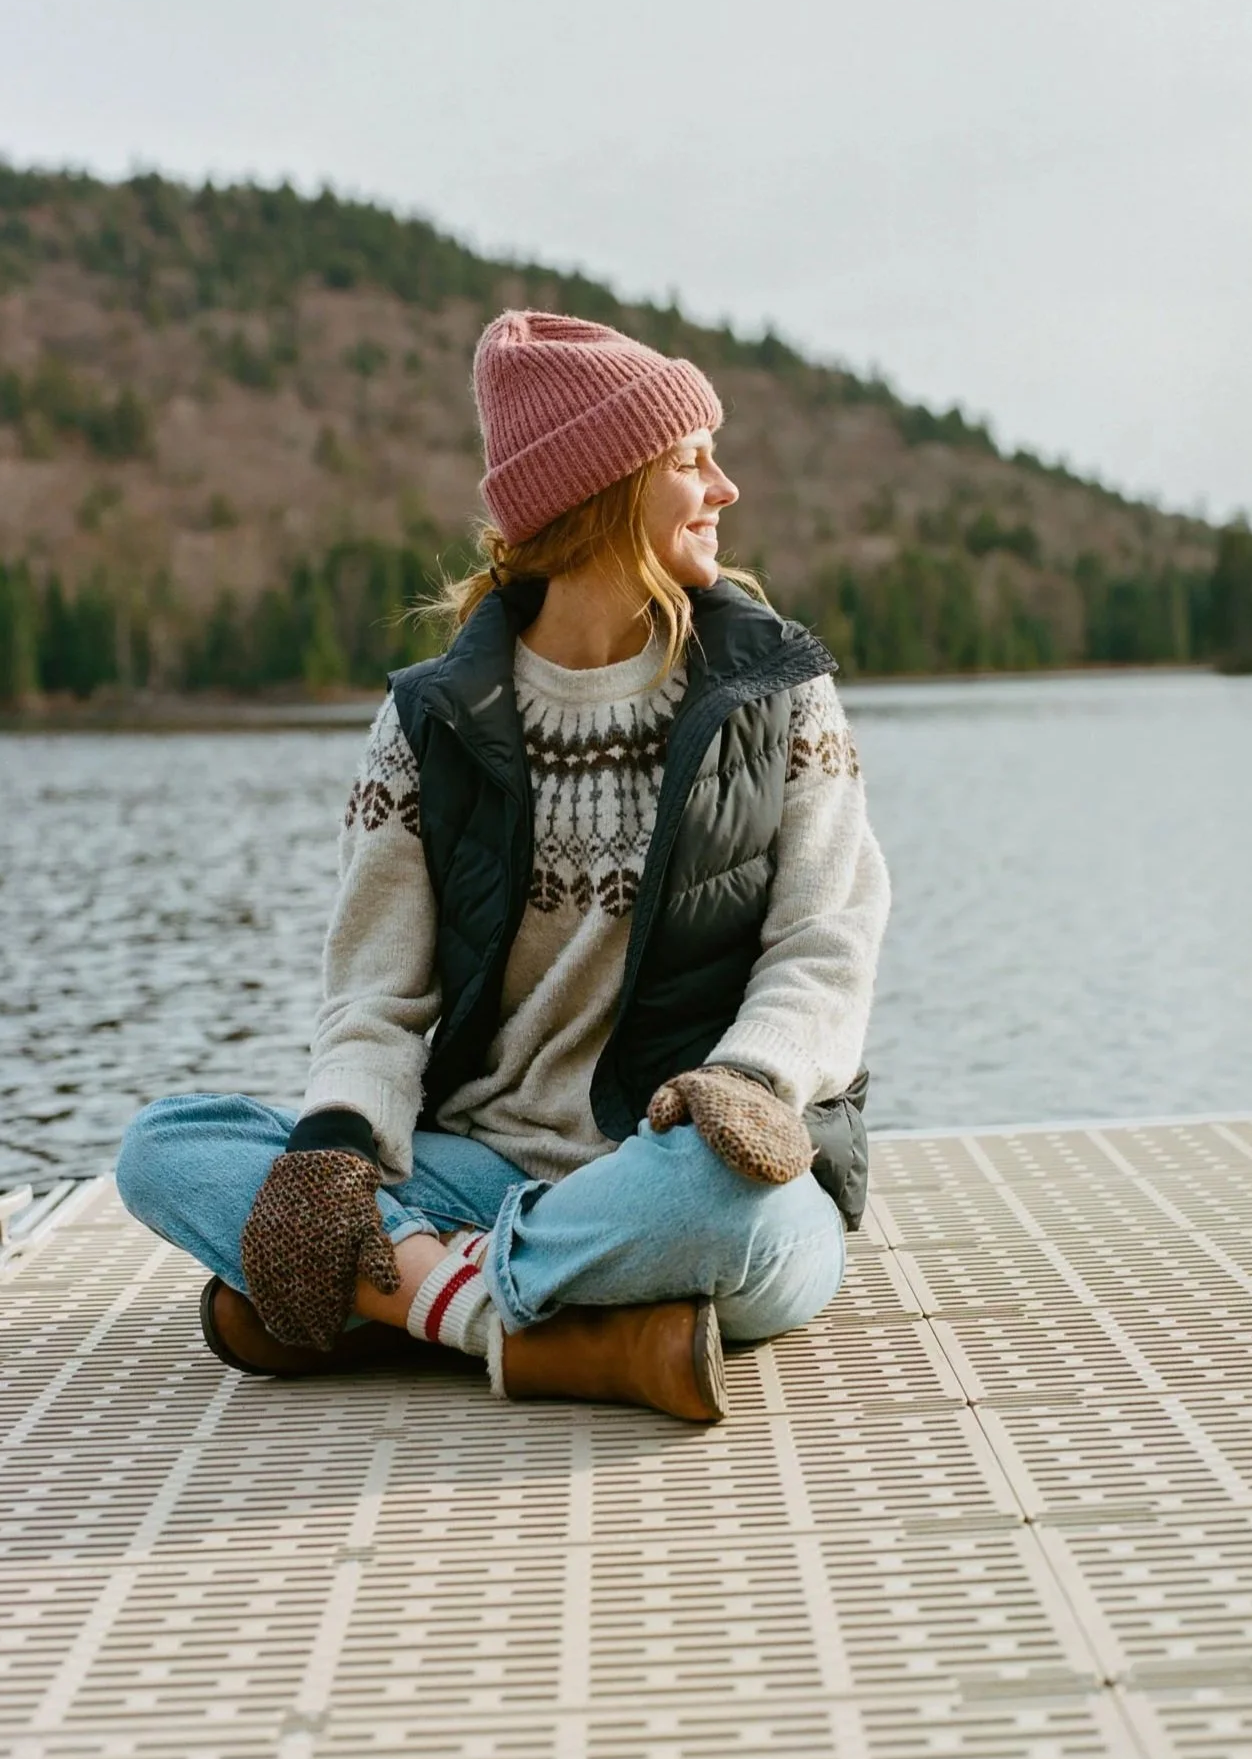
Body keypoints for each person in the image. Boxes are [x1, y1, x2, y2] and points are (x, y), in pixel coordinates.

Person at [116, 309, 890, 1423]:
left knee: (735, 1215)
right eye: (689, 460)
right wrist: (340, 1141)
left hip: (688, 1170)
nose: (724, 487)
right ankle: (532, 1329)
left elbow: (829, 938)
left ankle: (394, 1296)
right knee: (167, 1148)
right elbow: (375, 993)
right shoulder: (427, 723)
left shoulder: (776, 691)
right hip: (477, 1166)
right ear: (606, 490)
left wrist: (752, 1085)